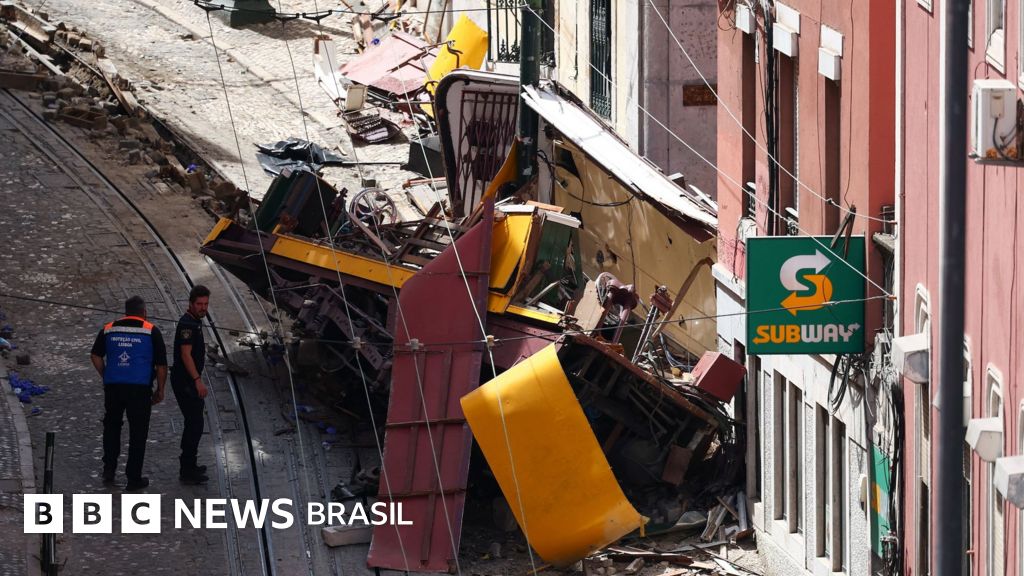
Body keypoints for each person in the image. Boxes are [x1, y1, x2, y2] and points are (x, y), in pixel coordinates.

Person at [90, 295, 167, 491]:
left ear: (125, 312)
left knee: (112, 426)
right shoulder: (151, 331)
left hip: (114, 387)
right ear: (144, 312)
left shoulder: (109, 329)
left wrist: (106, 374)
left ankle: (109, 468)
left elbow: (95, 355)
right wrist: (160, 389)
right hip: (139, 389)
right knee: (138, 433)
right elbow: (161, 365)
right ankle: (133, 478)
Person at [171, 285, 211, 484]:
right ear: (191, 304)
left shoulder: (195, 321)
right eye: (199, 304)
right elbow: (186, 355)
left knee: (195, 424)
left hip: (188, 382)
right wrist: (198, 381)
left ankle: (189, 465)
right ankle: (186, 470)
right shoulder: (187, 324)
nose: (203, 308)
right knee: (194, 425)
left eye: (205, 304)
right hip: (185, 383)